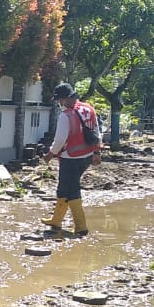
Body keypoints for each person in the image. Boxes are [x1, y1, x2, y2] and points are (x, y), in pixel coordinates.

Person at [41, 83, 101, 236]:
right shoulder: (89, 108)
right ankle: (56, 220)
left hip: (71, 158)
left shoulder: (66, 115)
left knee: (72, 190)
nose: (59, 103)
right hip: (87, 156)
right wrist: (97, 153)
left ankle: (81, 227)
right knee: (64, 188)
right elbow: (97, 133)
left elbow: (60, 140)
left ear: (67, 98)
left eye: (60, 100)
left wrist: (50, 154)